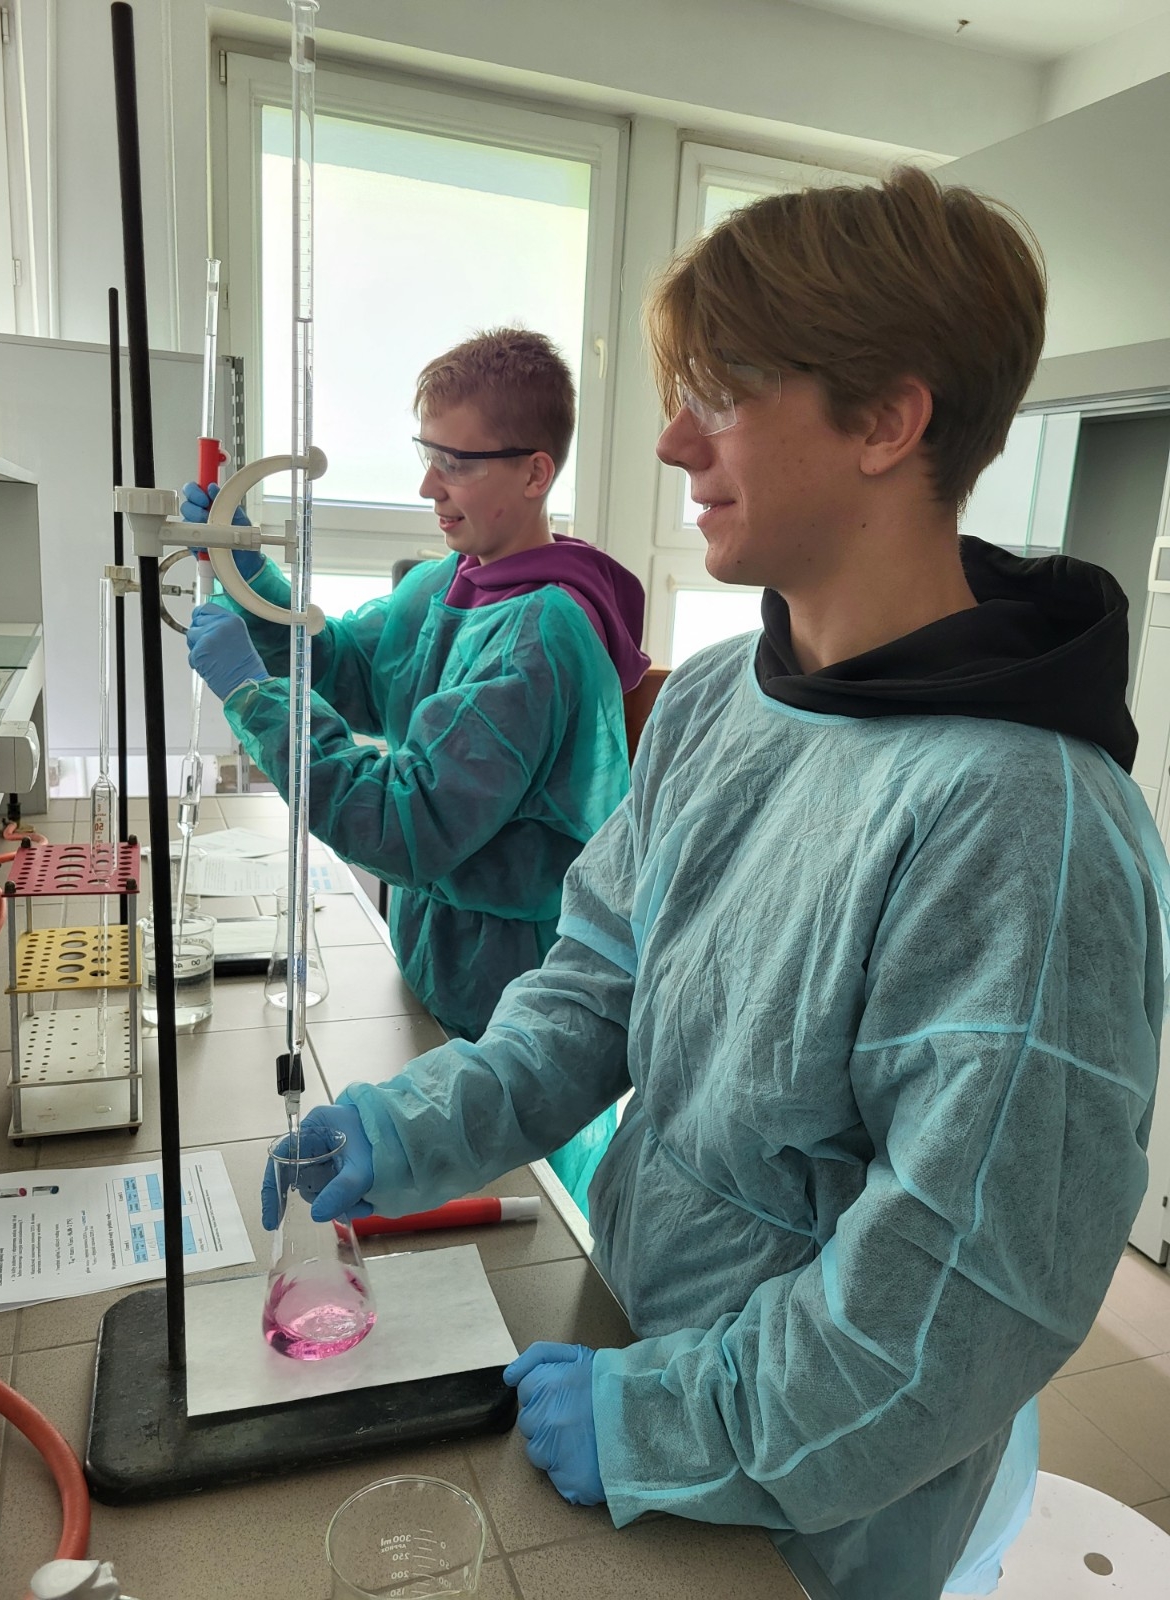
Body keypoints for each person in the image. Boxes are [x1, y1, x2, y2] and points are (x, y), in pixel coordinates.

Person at [267, 171, 1170, 1600]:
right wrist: (416, 1125)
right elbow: (594, 988)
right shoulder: (720, 702)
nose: (673, 440)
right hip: (651, 1344)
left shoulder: (1027, 824)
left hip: (831, 1490)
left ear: (887, 420)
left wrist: (683, 1422)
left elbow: (961, 1300)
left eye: (723, 396)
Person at [186, 328, 649, 1209]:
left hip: (511, 996)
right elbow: (353, 666)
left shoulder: (540, 633)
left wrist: (255, 698)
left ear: (536, 472)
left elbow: (409, 824)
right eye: (425, 455)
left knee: (512, 1218)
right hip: (439, 962)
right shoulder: (450, 585)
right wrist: (252, 582)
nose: (428, 487)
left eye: (456, 464)